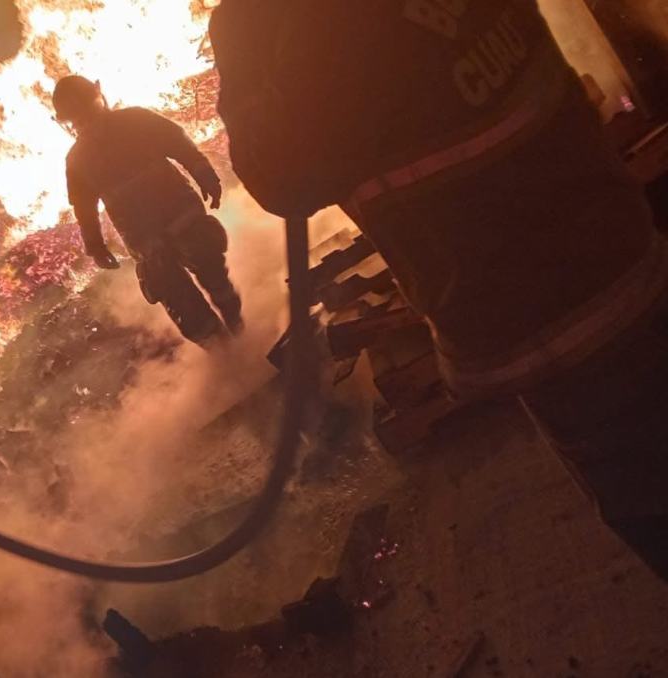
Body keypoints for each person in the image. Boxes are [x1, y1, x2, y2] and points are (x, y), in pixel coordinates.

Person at [210, 0, 668, 580]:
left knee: (648, 492)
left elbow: (283, 180)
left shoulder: (305, 31)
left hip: (544, 318)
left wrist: (245, 50)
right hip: (622, 240)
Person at [55, 75, 244, 345]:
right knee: (193, 300)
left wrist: (204, 173)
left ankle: (239, 340)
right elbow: (84, 208)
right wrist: (95, 245)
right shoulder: (84, 155)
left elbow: (179, 144)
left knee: (208, 284)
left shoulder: (121, 130)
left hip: (170, 226)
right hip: (157, 236)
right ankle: (235, 353)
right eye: (79, 117)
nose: (85, 121)